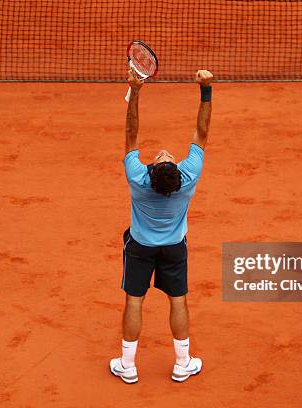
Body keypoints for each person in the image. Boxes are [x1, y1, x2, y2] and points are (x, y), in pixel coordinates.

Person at [109, 69, 214, 384]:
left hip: (140, 247)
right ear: (177, 172)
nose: (163, 152)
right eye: (166, 156)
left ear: (151, 171)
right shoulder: (189, 177)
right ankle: (183, 362)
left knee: (134, 299)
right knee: (177, 299)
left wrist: (135, 91)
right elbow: (202, 129)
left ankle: (128, 365)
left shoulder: (138, 180)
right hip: (173, 248)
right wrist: (205, 89)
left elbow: (131, 132)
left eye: (159, 157)